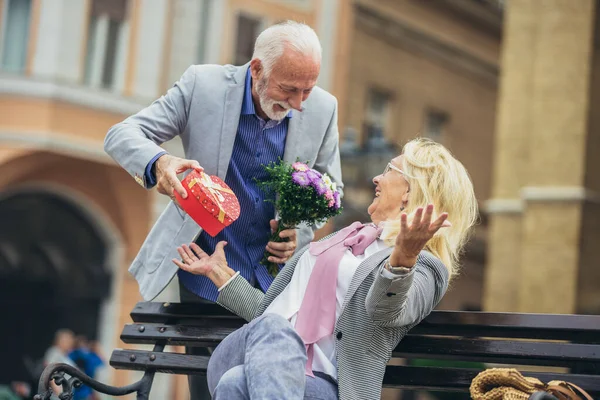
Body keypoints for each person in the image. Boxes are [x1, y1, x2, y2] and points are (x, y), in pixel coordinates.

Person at [104, 20, 343, 398]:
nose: (298, 103)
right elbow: (121, 134)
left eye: (307, 91)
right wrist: (160, 163)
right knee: (211, 390)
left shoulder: (323, 109)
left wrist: (301, 233)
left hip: (278, 284)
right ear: (257, 69)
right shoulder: (204, 85)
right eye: (289, 89)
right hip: (204, 275)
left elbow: (331, 190)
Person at [173, 138, 479, 400]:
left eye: (388, 170)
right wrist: (221, 275)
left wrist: (403, 259)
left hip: (322, 387)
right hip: (254, 352)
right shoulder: (341, 239)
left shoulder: (425, 266)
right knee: (274, 328)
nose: (377, 178)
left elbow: (385, 312)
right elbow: (276, 312)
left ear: (410, 192)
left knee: (234, 384)